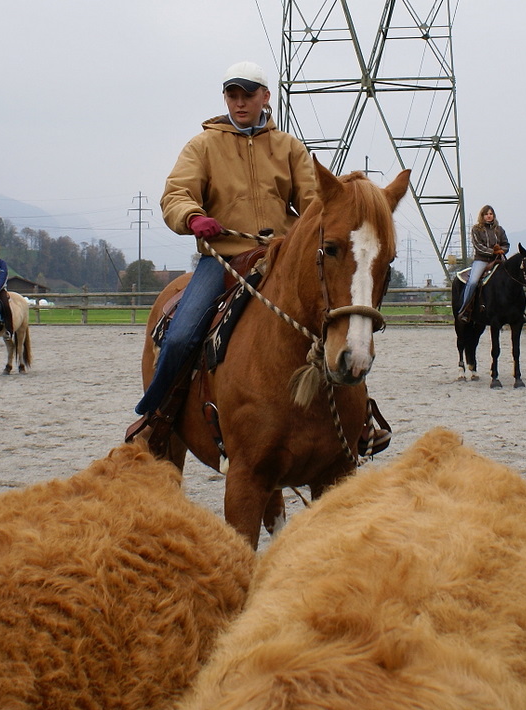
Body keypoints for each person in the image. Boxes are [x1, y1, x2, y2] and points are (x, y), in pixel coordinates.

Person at [132, 60, 390, 455]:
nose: (239, 102)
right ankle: (158, 415)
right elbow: (176, 194)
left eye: (248, 95)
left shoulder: (288, 148)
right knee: (182, 333)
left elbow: (315, 204)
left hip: (279, 258)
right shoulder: (203, 146)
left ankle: (358, 416)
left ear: (265, 97)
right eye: (232, 95)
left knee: (334, 318)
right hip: (224, 260)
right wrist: (193, 216)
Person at [458, 205, 509, 322]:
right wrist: (492, 251)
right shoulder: (476, 229)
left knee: (512, 277)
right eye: (486, 214)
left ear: (493, 215)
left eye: (491, 214)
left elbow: (506, 244)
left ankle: (518, 310)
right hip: (481, 260)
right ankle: (465, 309)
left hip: (498, 259)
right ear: (482, 216)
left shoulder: (499, 230)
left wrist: (501, 250)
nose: (489, 216)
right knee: (473, 282)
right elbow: (478, 246)